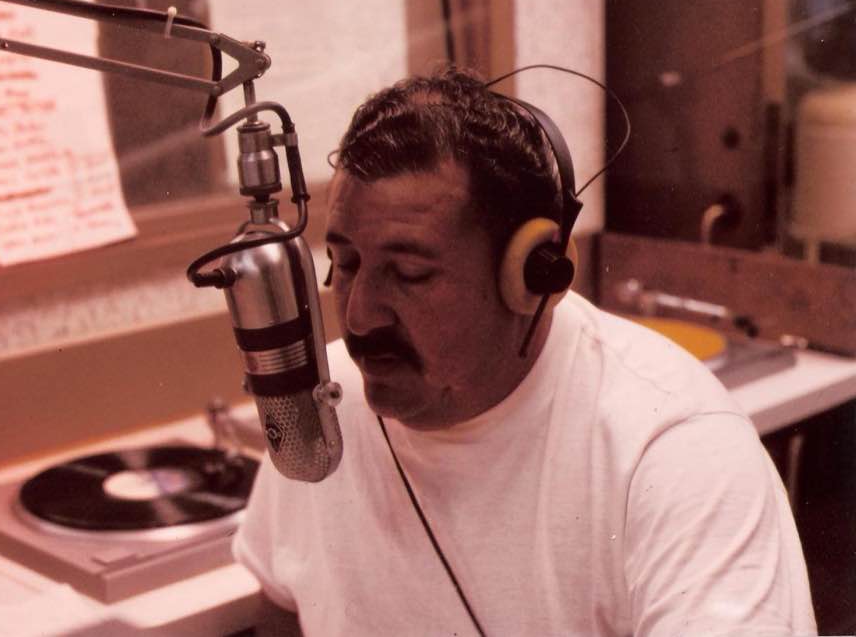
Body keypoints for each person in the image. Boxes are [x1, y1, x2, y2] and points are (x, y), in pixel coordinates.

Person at [231, 67, 816, 636]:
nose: (359, 315)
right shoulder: (319, 405)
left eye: (409, 274)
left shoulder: (676, 450)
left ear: (532, 276)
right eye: (346, 264)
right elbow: (283, 608)